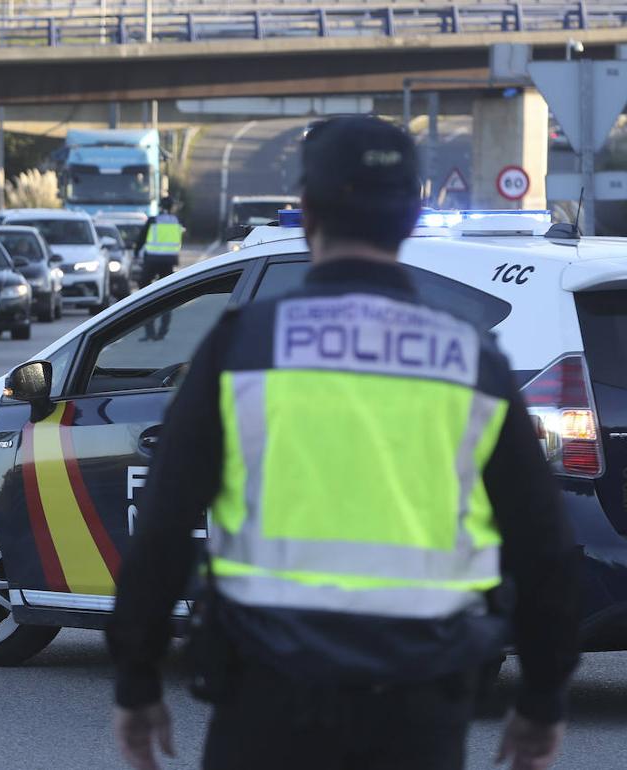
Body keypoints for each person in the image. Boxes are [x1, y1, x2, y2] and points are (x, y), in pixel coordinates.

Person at [107, 117, 580, 770]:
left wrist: (137, 682)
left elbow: (164, 528)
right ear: (411, 218)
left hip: (266, 707)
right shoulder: (470, 360)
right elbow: (543, 546)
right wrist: (542, 700)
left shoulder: (243, 347)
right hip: (417, 712)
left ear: (306, 213)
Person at [135, 197, 182, 341]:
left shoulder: (153, 220)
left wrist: (136, 253)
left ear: (160, 207)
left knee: (144, 293)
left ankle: (149, 331)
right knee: (167, 295)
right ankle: (162, 332)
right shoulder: (176, 221)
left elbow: (141, 239)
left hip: (152, 260)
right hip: (169, 261)